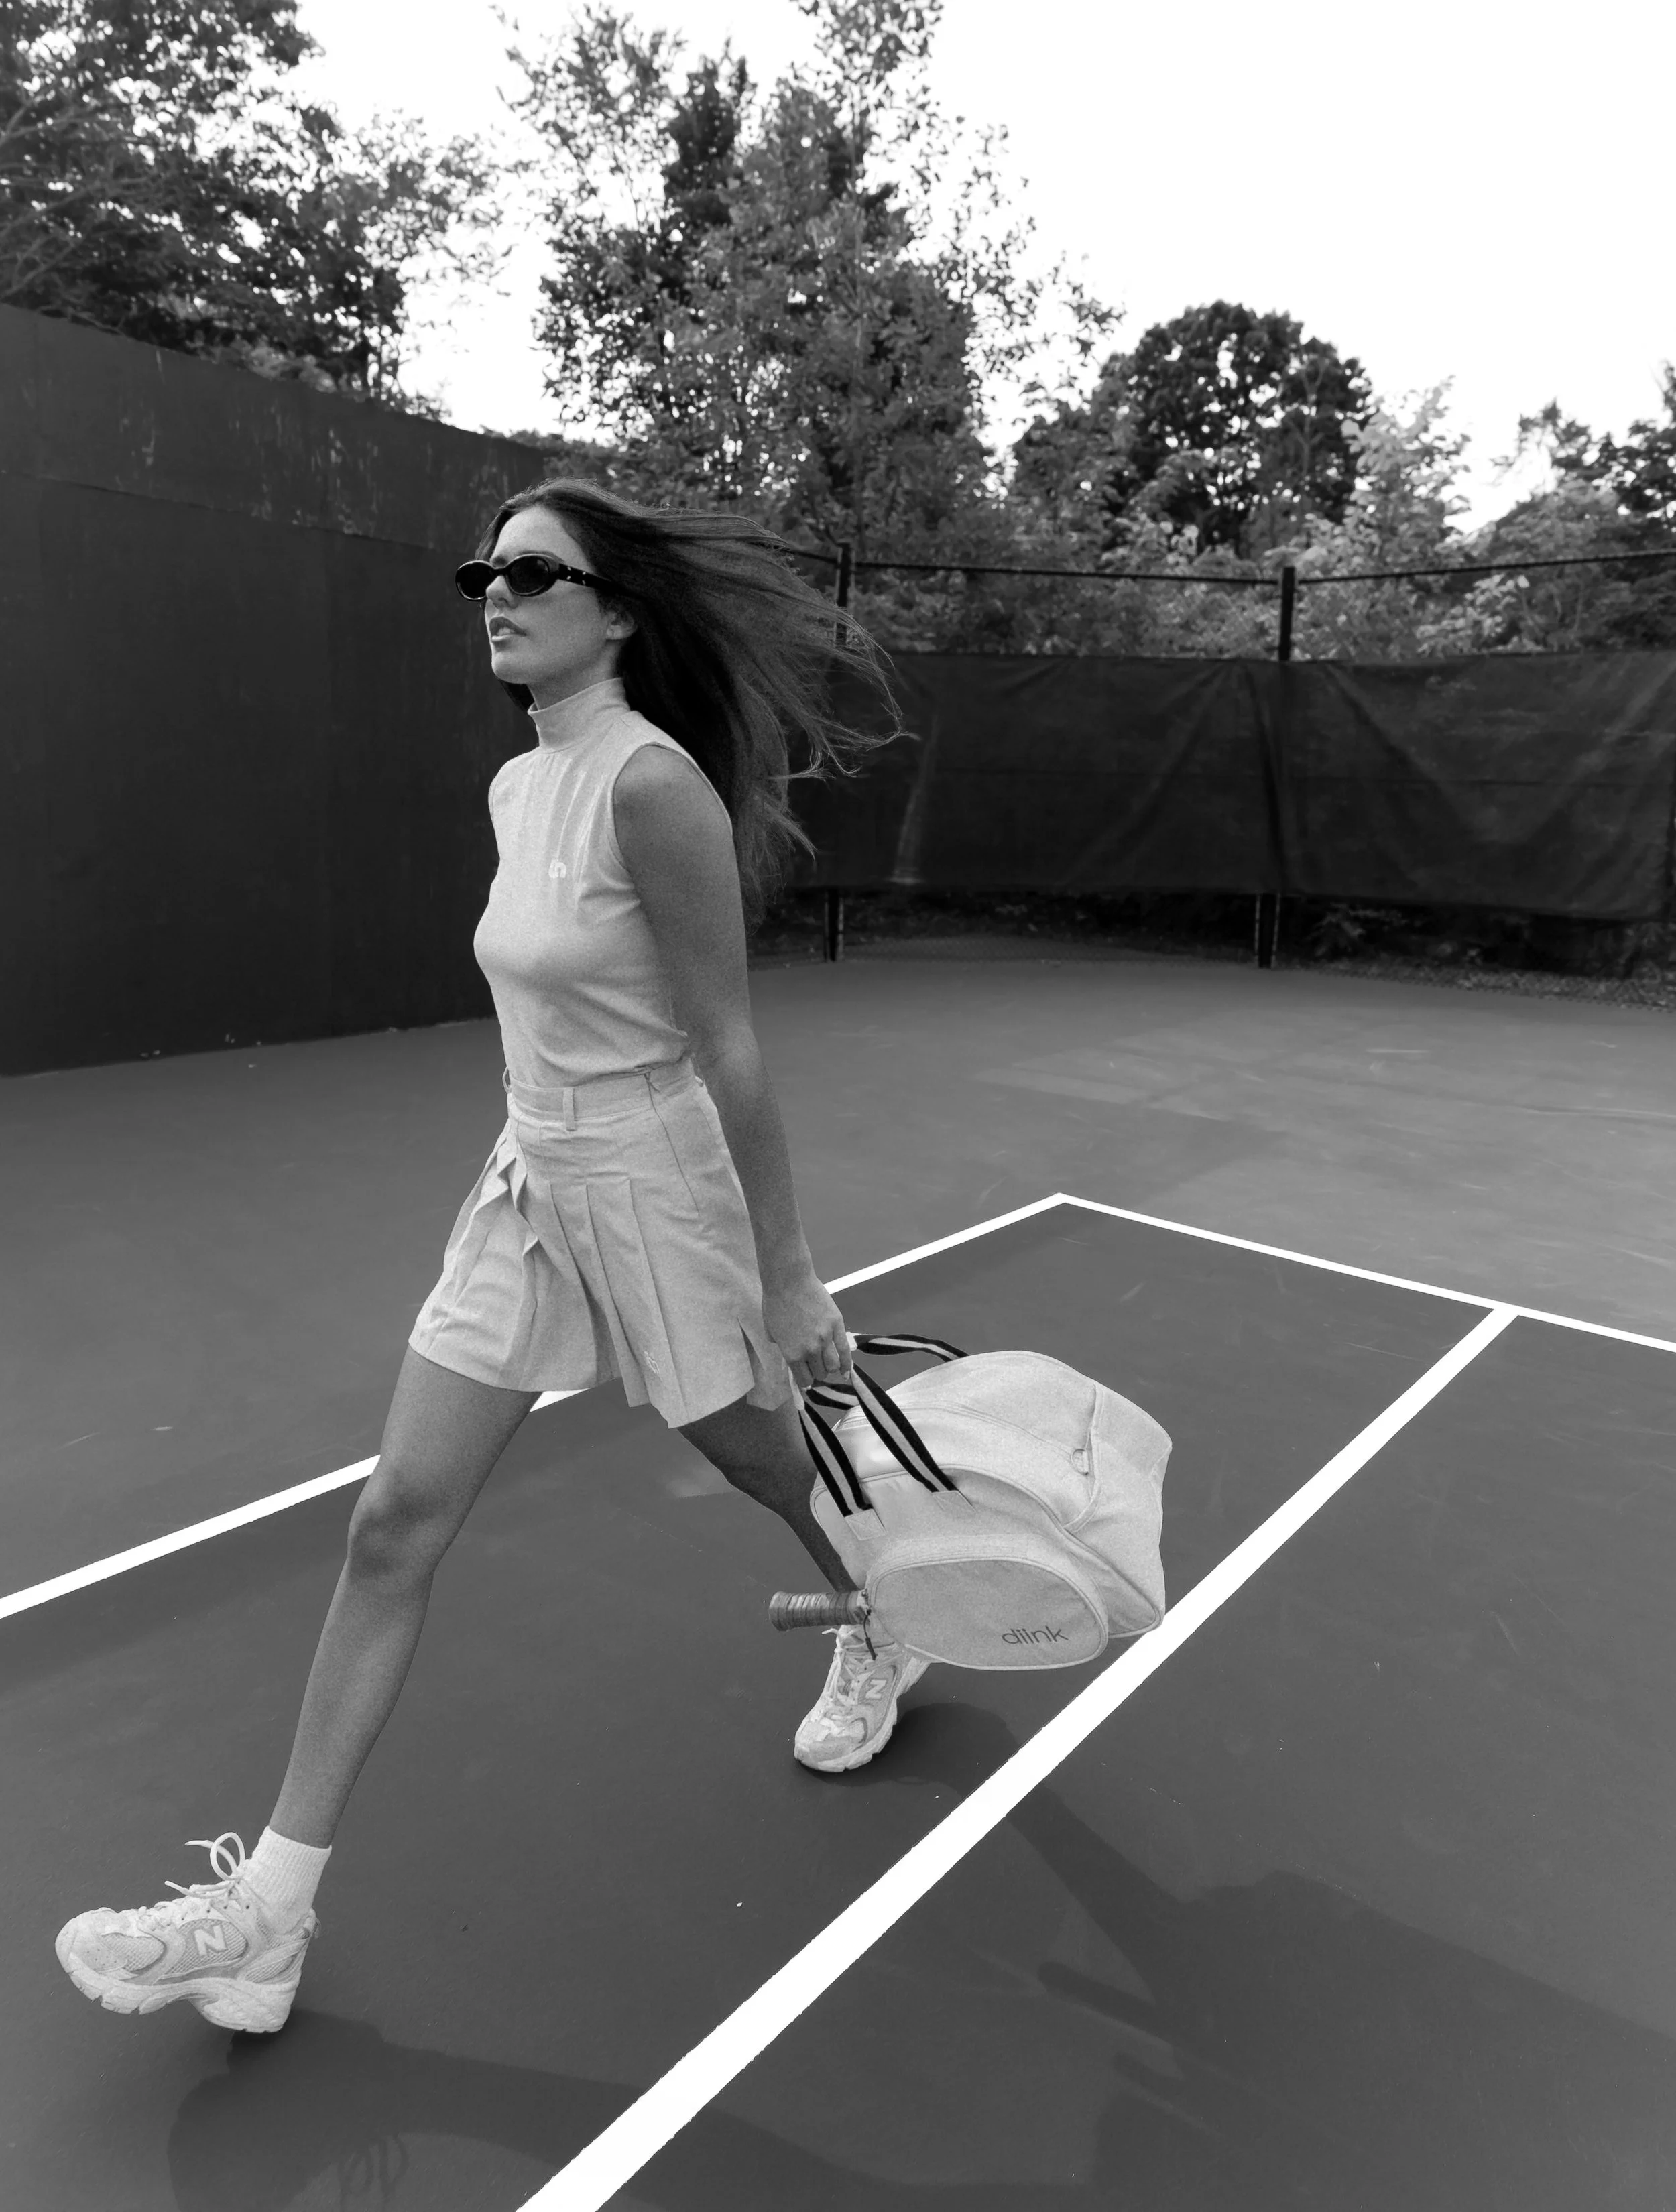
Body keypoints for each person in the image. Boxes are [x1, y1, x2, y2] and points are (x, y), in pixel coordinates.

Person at [55, 478, 929, 2035]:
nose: (496, 595)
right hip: (528, 1180)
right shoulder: (520, 786)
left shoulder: (649, 786)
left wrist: (789, 1273)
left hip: (659, 1181)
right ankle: (266, 1916)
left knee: (766, 1465)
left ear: (617, 612)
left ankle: (885, 1618)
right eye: (484, 573)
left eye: (533, 572)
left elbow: (727, 1045)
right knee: (393, 1523)